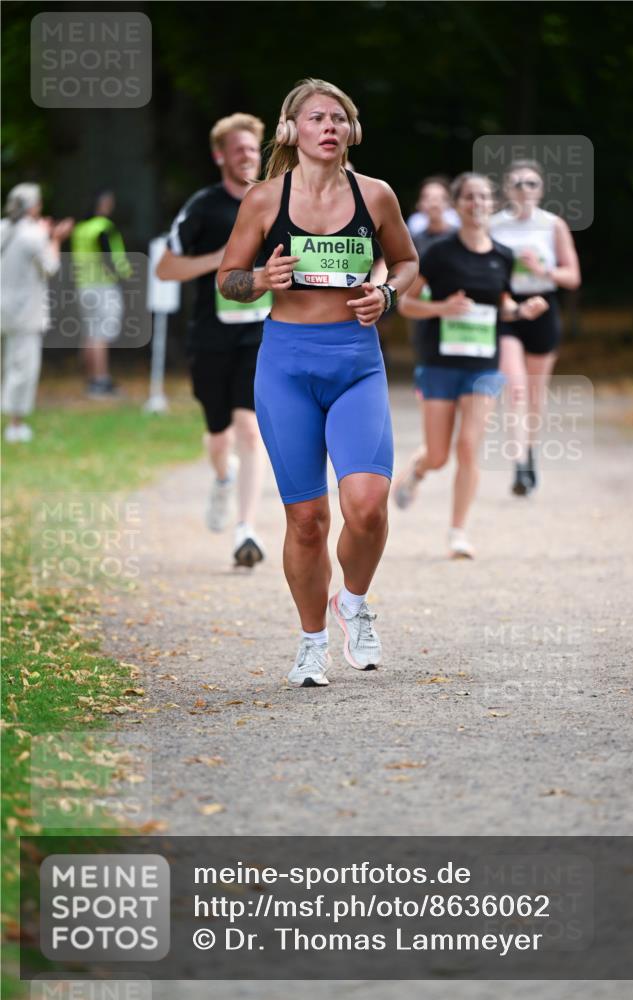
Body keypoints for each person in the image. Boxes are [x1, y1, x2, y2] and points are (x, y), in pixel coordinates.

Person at [217, 78, 418, 687]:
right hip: (286, 364)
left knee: (368, 507)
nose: (329, 127)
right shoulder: (262, 200)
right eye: (316, 118)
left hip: (356, 361)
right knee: (306, 519)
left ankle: (352, 602)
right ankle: (311, 643)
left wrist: (385, 294)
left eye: (339, 119)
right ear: (291, 130)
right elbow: (227, 278)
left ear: (350, 132)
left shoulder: (376, 196)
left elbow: (407, 262)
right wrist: (260, 279)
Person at [392, 172, 548, 558]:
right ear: (457, 205)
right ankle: (417, 470)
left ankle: (457, 532)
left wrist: (521, 309)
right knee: (439, 454)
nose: (477, 204)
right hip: (440, 363)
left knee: (468, 448)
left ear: (492, 204)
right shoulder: (439, 252)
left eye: (483, 197)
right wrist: (441, 308)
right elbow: (407, 304)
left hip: (483, 365)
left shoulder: (502, 256)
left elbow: (502, 305)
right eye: (469, 198)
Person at [157, 113, 270, 568]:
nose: (246, 155)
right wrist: (220, 262)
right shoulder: (203, 207)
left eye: (251, 148)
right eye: (238, 149)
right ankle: (223, 479)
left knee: (249, 428)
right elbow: (166, 268)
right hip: (209, 333)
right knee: (218, 437)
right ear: (219, 155)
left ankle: (246, 530)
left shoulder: (271, 202)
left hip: (258, 331)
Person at [490, 159, 581, 495]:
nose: (524, 190)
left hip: (543, 306)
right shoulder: (494, 225)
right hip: (509, 309)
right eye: (517, 184)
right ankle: (519, 463)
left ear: (540, 190)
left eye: (530, 184)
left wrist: (542, 269)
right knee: (514, 388)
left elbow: (572, 277)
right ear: (507, 190)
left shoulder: (553, 225)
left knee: (534, 393)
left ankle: (530, 453)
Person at [1, 184, 73, 442]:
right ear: (32, 207)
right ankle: (15, 424)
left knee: (8, 364)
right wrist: (54, 238)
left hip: (4, 309)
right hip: (25, 312)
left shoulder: (3, 228)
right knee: (24, 367)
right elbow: (51, 267)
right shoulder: (32, 234)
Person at [71, 190, 132, 398]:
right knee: (101, 334)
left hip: (84, 285)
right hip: (103, 285)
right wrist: (121, 275)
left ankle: (91, 378)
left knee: (90, 332)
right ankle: (101, 380)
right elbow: (109, 256)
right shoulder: (103, 227)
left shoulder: (81, 229)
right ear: (104, 205)